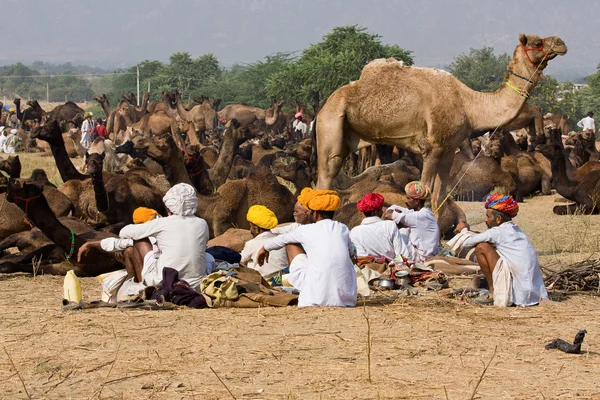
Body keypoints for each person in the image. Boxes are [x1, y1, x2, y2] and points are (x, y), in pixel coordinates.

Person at [79, 183, 209, 290]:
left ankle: (142, 286)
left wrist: (146, 228)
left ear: (169, 207)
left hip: (165, 282)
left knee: (139, 242)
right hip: (197, 285)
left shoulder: (161, 224)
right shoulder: (202, 224)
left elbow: (124, 233)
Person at [257, 189, 357, 307]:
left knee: (291, 244)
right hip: (347, 299)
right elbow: (353, 255)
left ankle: (303, 288)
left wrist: (265, 248)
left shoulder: (306, 230)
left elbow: (282, 239)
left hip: (315, 298)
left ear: (315, 213)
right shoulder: (343, 228)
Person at [460, 194, 548, 307]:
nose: (485, 220)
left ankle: (493, 293)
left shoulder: (497, 232)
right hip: (535, 295)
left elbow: (466, 242)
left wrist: (463, 229)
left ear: (498, 219)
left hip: (520, 296)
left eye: (488, 217)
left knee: (482, 247)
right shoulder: (516, 230)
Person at [78, 207, 163, 285]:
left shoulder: (151, 234)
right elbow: (118, 243)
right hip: (161, 272)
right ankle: (135, 285)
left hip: (161, 274)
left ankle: (140, 286)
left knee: (131, 249)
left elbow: (119, 242)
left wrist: (90, 244)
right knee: (130, 250)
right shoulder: (160, 227)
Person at [384, 181, 439, 262]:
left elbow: (388, 215)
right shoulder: (423, 211)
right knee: (403, 231)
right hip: (422, 251)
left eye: (408, 198)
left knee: (393, 241)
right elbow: (398, 208)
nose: (405, 201)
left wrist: (392, 211)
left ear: (417, 201)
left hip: (421, 256)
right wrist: (394, 209)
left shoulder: (419, 216)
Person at [350, 192, 409, 260]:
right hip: (393, 267)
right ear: (375, 212)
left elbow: (362, 257)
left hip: (369, 269)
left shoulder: (355, 231)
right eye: (380, 209)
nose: (382, 212)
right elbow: (402, 254)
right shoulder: (389, 225)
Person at [240, 205, 288, 279]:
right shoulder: (280, 240)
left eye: (250, 227)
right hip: (281, 279)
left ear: (255, 228)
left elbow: (240, 260)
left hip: (263, 281)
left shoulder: (252, 243)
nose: (250, 230)